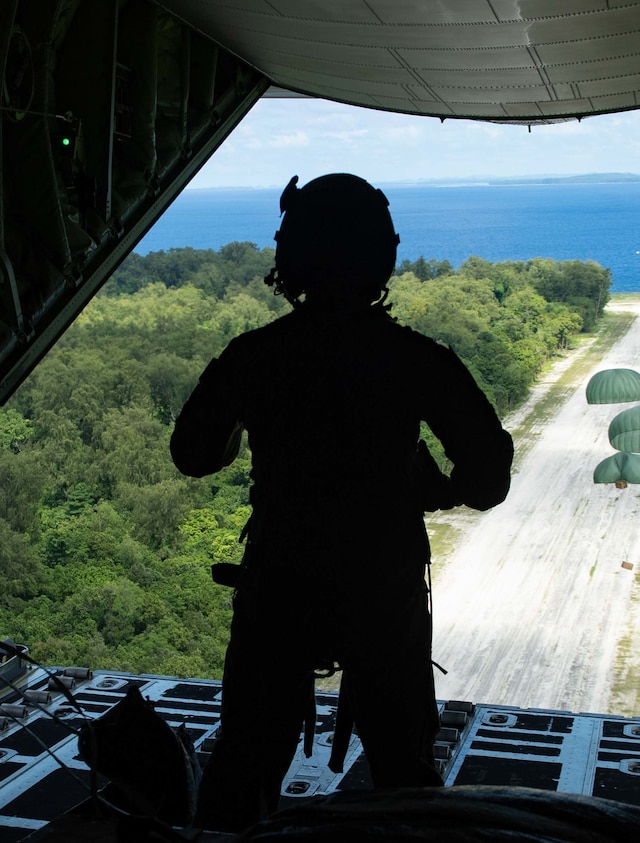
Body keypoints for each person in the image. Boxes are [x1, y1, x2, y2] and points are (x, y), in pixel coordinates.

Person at [170, 173, 513, 832]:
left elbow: (193, 453)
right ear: (381, 256)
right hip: (383, 595)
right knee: (407, 780)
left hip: (278, 590)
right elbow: (487, 481)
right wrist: (425, 482)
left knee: (241, 769)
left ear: (289, 259)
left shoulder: (255, 357)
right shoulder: (416, 359)